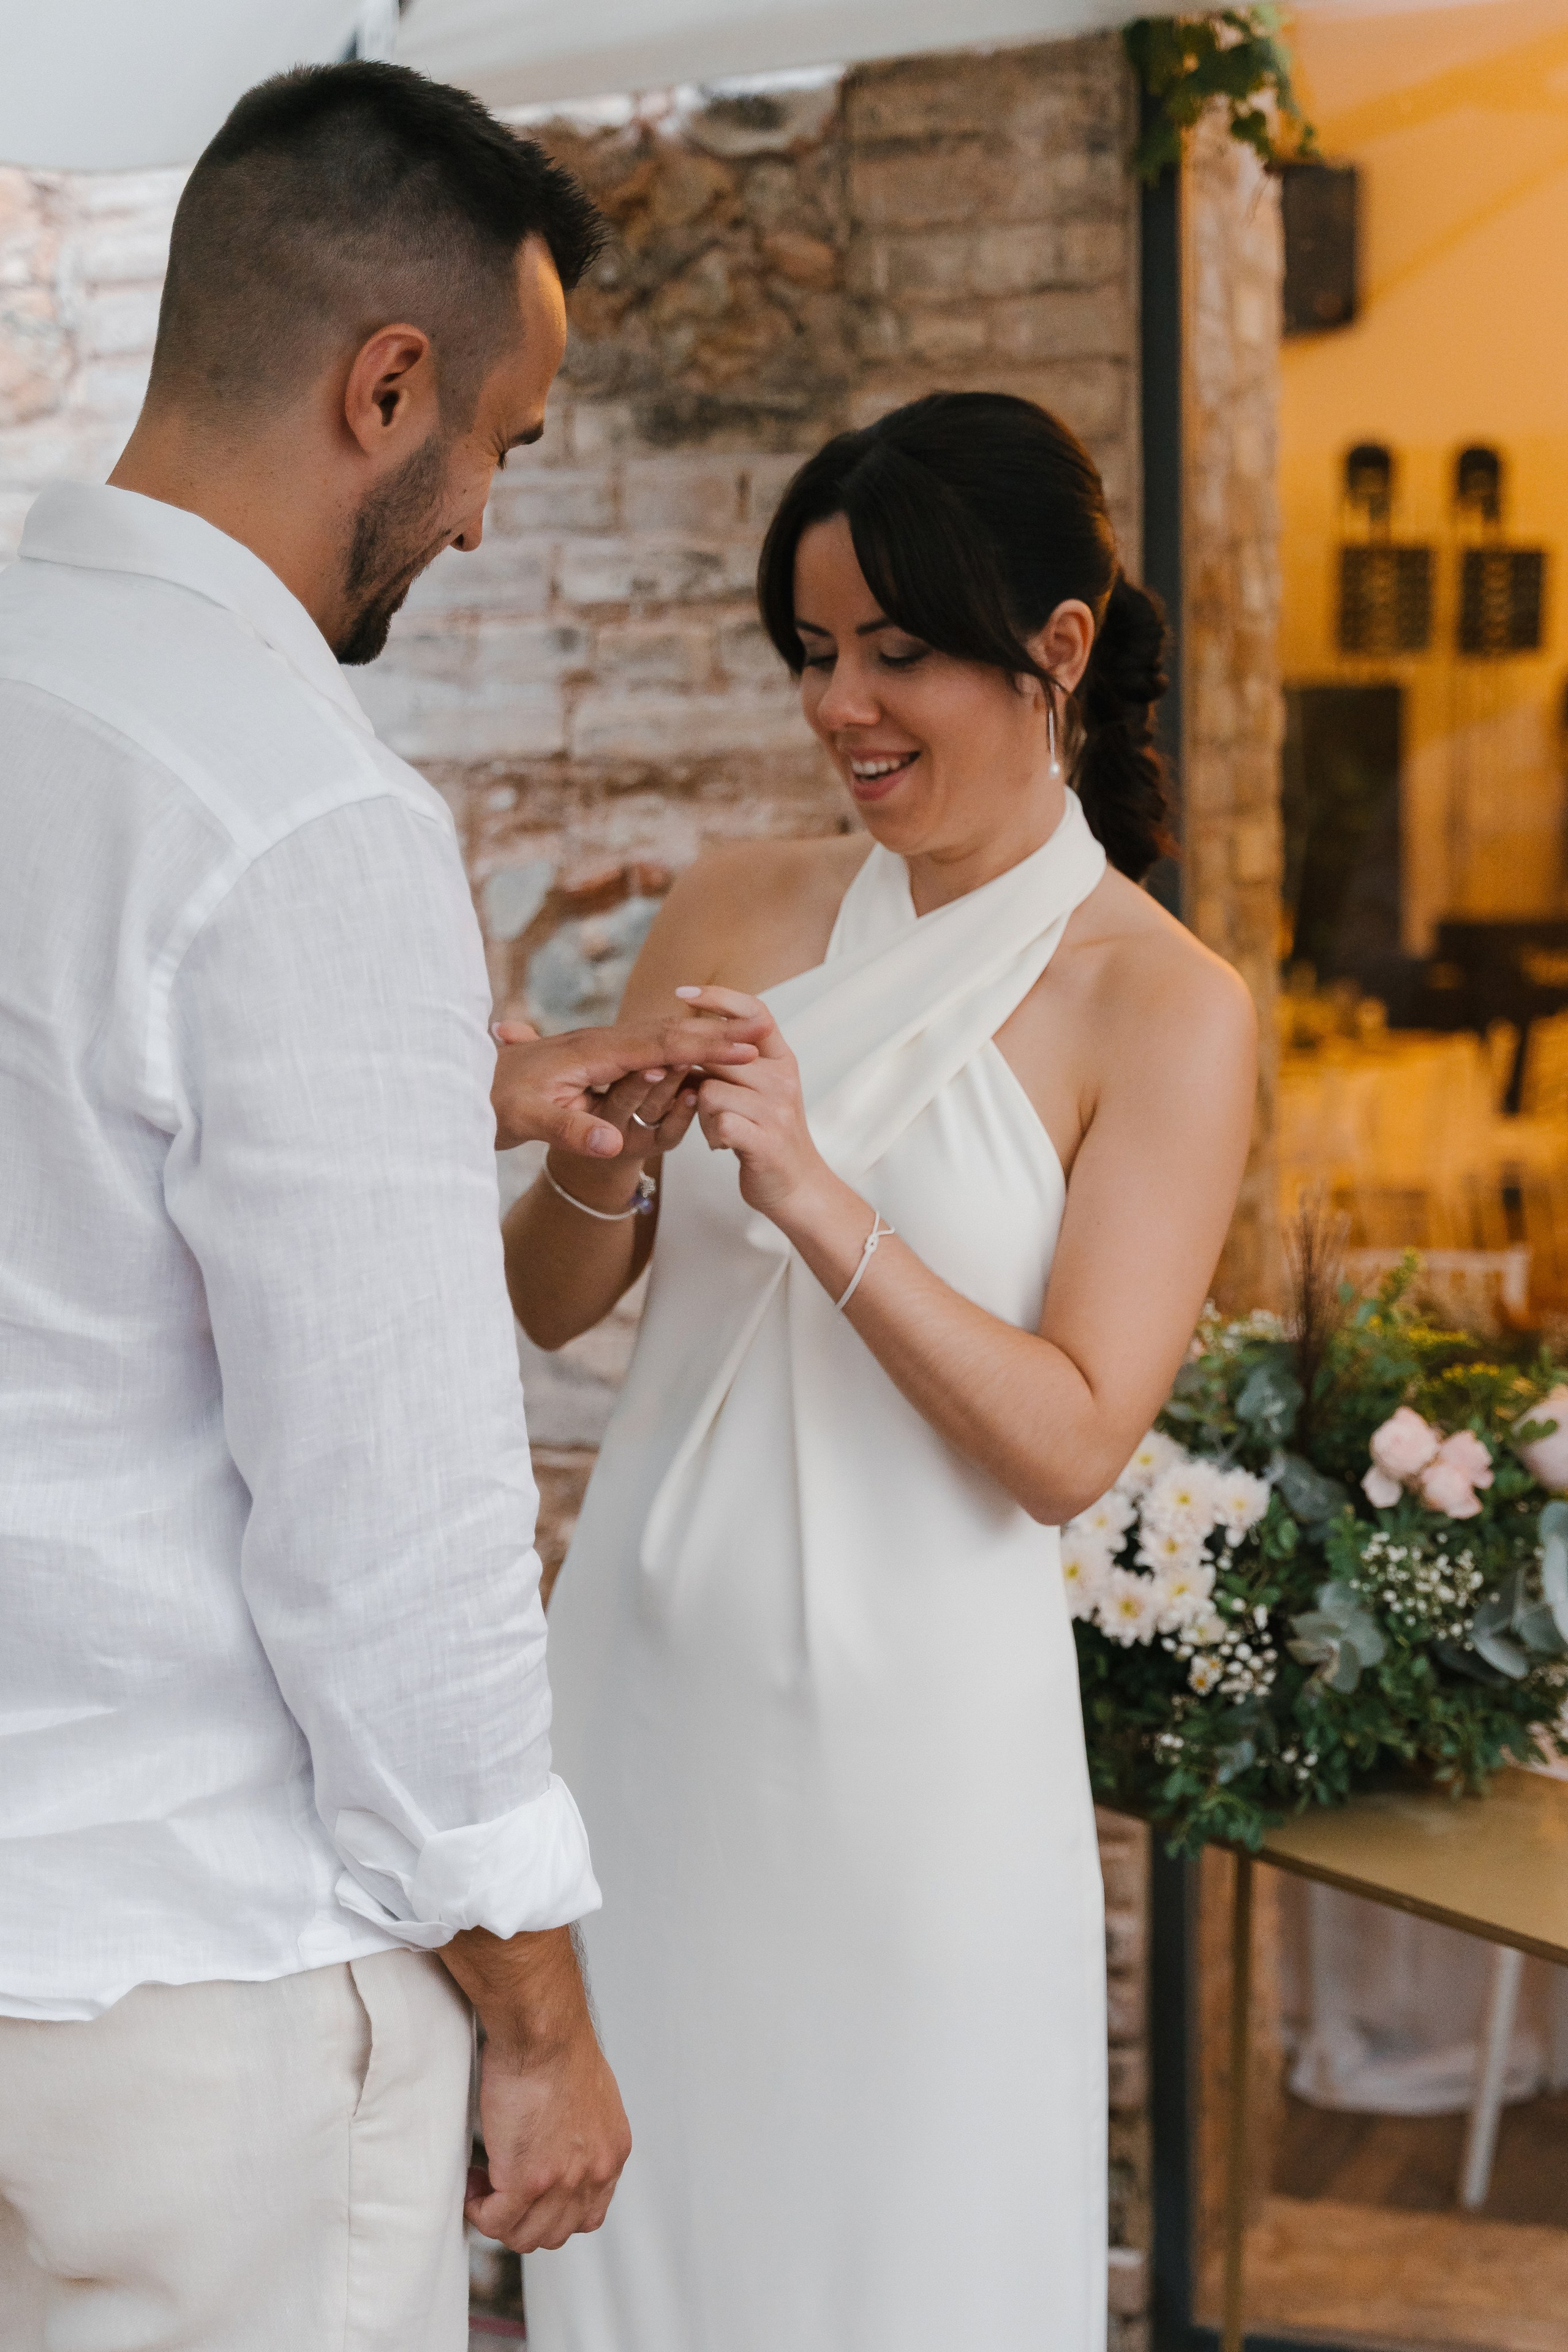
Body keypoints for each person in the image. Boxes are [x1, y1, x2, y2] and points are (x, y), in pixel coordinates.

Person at [0, 61, 765, 2352]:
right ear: (387, 384)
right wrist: (537, 2008)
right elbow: (390, 1520)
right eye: (503, 444)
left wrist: (437, 1105)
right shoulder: (301, 812)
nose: (487, 520)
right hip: (200, 2000)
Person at [504, 391, 1259, 2351]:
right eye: (815, 651)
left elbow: (1070, 1442)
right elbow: (552, 1303)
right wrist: (603, 1162)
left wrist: (817, 1198)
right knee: (642, 2264)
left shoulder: (1163, 1007)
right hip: (640, 1714)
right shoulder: (736, 906)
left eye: (899, 652)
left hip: (912, 1773)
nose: (844, 706)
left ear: (1055, 650)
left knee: (899, 2268)